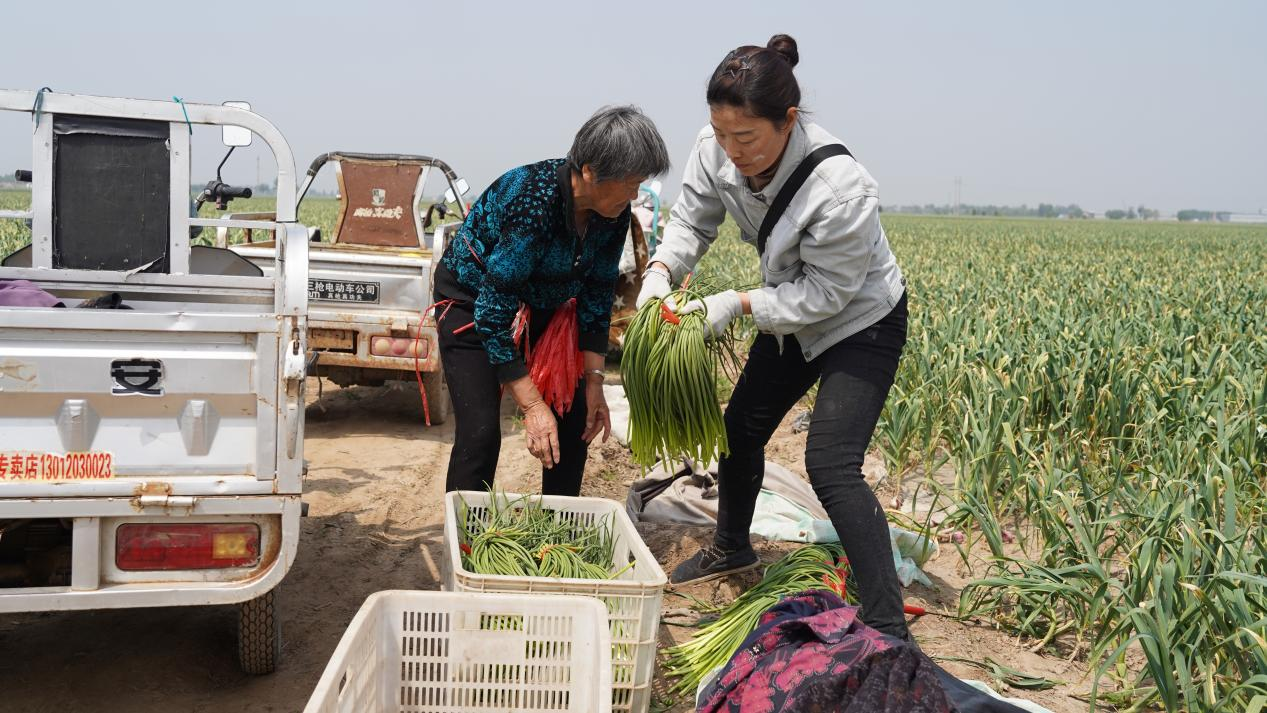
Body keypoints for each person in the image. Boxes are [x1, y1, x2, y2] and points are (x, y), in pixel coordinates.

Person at [637, 35, 912, 641]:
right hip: (786, 307)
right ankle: (731, 548)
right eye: (722, 134)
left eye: (747, 139)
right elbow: (690, 222)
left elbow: (826, 297)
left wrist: (733, 304)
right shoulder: (717, 148)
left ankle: (887, 622)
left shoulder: (841, 189)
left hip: (858, 320)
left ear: (788, 121)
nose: (732, 151)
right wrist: (660, 274)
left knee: (832, 463)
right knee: (740, 431)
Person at [435, 105, 670, 496]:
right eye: (630, 182)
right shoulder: (532, 201)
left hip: (548, 304)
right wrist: (531, 406)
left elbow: (596, 293)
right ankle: (465, 545)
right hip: (474, 303)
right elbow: (492, 316)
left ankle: (559, 534)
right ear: (591, 171)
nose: (634, 193)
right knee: (480, 433)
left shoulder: (613, 213)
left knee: (575, 418)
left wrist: (594, 383)